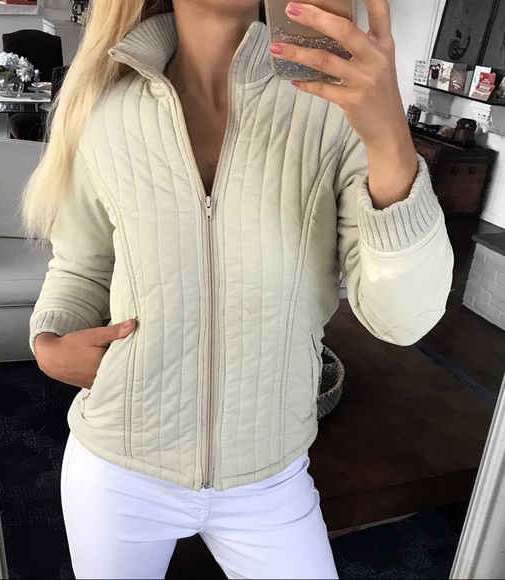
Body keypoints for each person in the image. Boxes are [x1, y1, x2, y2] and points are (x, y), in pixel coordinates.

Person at [23, 0, 453, 578]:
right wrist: (50, 341)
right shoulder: (105, 109)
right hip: (117, 468)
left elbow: (404, 319)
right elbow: (81, 265)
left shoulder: (335, 111)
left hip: (269, 478)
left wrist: (390, 139)